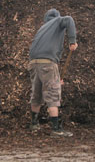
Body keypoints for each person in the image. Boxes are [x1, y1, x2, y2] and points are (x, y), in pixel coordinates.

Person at [28, 9, 78, 137]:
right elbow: (69, 19)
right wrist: (72, 41)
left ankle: (34, 124)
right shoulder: (58, 21)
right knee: (52, 94)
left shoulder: (42, 28)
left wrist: (55, 80)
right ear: (57, 17)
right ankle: (56, 129)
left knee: (36, 93)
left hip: (33, 63)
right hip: (48, 63)